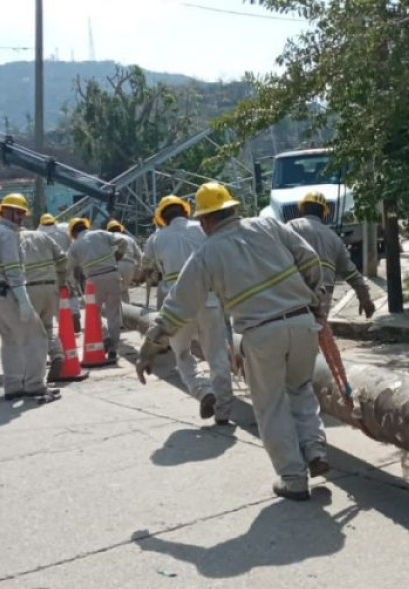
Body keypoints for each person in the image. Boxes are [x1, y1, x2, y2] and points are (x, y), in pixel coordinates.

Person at [137, 182, 326, 502]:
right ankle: (315, 447)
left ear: (207, 219)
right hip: (302, 321)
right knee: (301, 389)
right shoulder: (268, 224)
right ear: (232, 208)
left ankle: (293, 477)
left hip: (262, 332)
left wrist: (148, 348)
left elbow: (177, 307)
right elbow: (309, 260)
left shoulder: (207, 254)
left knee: (271, 405)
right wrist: (313, 299)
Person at [140, 195, 234, 424]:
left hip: (177, 304)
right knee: (217, 355)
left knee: (182, 354)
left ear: (162, 217)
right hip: (209, 298)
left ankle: (202, 391)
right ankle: (223, 411)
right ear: (185, 211)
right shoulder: (202, 230)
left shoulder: (156, 238)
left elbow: (145, 267)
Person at [0, 193, 59, 402]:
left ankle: (13, 386)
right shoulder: (7, 235)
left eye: (23, 213)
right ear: (5, 211)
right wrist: (23, 301)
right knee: (37, 338)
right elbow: (13, 270)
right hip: (9, 293)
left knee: (11, 341)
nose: (21, 217)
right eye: (18, 212)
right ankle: (35, 385)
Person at [287, 191, 376, 320]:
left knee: (296, 331)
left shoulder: (291, 227)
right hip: (323, 293)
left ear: (302, 210)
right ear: (324, 214)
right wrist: (365, 299)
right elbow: (351, 273)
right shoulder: (334, 238)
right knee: (320, 332)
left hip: (296, 289)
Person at [67, 216, 128, 356]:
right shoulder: (101, 233)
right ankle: (113, 349)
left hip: (93, 281)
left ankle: (105, 335)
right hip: (113, 275)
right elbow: (123, 240)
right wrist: (118, 254)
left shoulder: (75, 245)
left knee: (93, 313)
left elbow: (68, 267)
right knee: (113, 313)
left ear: (73, 233)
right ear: (86, 226)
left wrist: (72, 284)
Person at [20, 228, 69, 382]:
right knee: (47, 326)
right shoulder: (43, 236)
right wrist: (61, 279)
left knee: (28, 331)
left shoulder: (14, 238)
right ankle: (57, 354)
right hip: (50, 286)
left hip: (30, 289)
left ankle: (31, 371)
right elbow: (62, 258)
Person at [40, 213, 80, 331]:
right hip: (67, 265)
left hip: (50, 271)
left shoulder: (40, 235)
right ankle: (75, 312)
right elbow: (72, 248)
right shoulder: (63, 233)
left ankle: (63, 320)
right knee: (72, 291)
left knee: (57, 296)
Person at [106, 220, 142, 303]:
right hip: (129, 266)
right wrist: (138, 268)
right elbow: (139, 255)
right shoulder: (130, 239)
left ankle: (114, 311)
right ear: (120, 229)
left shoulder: (108, 238)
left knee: (112, 290)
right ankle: (126, 309)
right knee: (124, 289)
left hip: (114, 264)